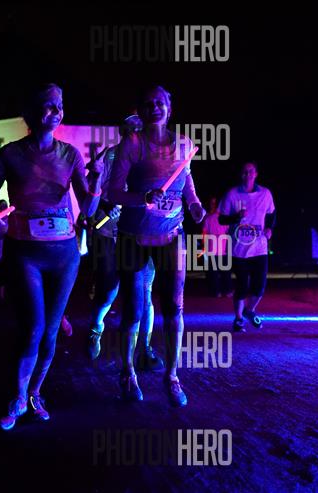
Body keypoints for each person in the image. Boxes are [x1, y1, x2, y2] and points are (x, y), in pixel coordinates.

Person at [0, 83, 102, 430]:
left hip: (65, 254)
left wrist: (96, 182)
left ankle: (35, 393)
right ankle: (18, 397)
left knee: (49, 332)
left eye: (60, 105)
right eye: (49, 105)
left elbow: (89, 210)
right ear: (31, 113)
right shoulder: (10, 154)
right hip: (25, 252)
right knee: (33, 327)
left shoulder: (71, 155)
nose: (56, 111)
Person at [109, 86, 205, 407]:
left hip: (172, 234)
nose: (154, 108)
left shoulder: (184, 144)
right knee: (133, 309)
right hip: (133, 236)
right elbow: (113, 192)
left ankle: (173, 376)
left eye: (160, 103)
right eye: (148, 104)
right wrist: (142, 198)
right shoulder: (131, 145)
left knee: (174, 307)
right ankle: (128, 373)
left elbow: (186, 182)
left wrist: (194, 204)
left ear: (169, 109)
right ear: (140, 110)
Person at [87, 115, 164, 371]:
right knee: (109, 289)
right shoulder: (109, 157)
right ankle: (96, 326)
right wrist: (106, 205)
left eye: (141, 129)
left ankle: (146, 349)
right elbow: (94, 191)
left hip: (141, 234)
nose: (137, 133)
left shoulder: (153, 158)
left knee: (146, 293)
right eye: (132, 129)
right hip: (110, 232)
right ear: (123, 132)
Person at [219, 162, 276, 332]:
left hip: (259, 247)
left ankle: (249, 310)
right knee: (242, 286)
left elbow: (272, 213)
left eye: (251, 171)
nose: (247, 174)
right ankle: (238, 319)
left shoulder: (265, 194)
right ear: (241, 174)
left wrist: (269, 228)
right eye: (244, 171)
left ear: (256, 174)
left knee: (259, 286)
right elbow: (221, 219)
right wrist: (236, 217)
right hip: (239, 249)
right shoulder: (232, 194)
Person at [201, 196, 232, 297]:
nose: (212, 205)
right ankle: (224, 291)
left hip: (217, 249)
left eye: (214, 203)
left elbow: (204, 233)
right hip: (218, 249)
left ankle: (219, 291)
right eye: (212, 203)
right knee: (221, 272)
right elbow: (229, 232)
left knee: (217, 273)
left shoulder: (209, 218)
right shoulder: (216, 218)